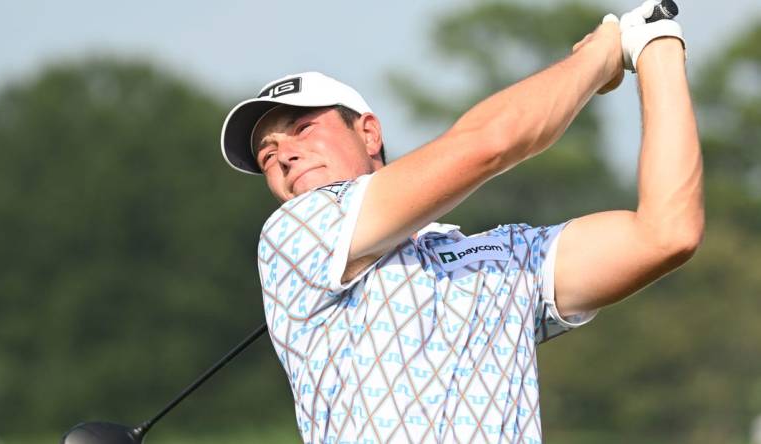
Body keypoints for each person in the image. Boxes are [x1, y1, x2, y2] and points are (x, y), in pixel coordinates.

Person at [219, 1, 703, 442]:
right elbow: (491, 144)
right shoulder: (295, 232)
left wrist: (656, 49)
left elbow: (667, 233)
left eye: (303, 129)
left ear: (368, 133)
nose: (284, 156)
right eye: (267, 154)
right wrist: (599, 58)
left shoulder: (496, 259)